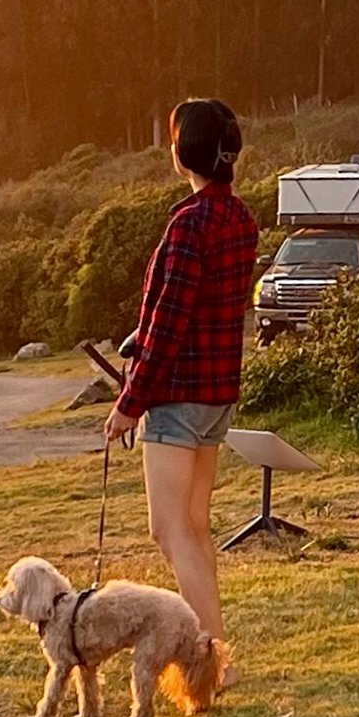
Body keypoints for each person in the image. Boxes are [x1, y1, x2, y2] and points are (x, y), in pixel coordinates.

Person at [101, 97, 255, 641]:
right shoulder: (239, 216)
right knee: (193, 528)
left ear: (180, 154)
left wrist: (128, 403)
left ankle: (208, 656)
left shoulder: (190, 225)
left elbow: (169, 323)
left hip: (179, 397)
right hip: (217, 395)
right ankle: (216, 651)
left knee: (169, 531)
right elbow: (205, 307)